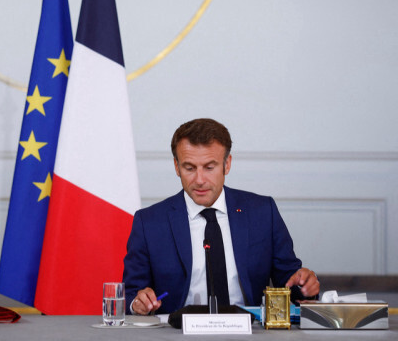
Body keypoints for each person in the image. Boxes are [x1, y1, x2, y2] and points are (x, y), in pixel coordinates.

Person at [122, 118, 319, 315]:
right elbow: (131, 295)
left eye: (209, 167)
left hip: (251, 333)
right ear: (176, 166)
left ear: (227, 164)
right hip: (177, 334)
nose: (199, 180)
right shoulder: (149, 222)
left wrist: (304, 286)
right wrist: (137, 303)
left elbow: (290, 282)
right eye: (189, 168)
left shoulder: (262, 212)